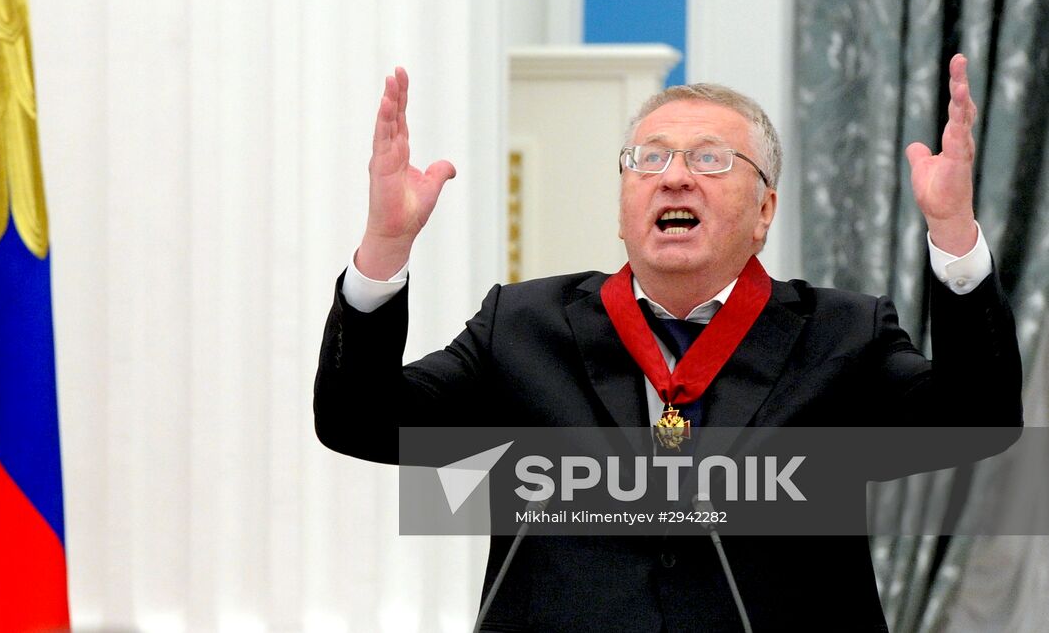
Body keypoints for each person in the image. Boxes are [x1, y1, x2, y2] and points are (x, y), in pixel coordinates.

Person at [313, 55, 1022, 632]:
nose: (674, 175)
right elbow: (360, 421)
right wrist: (385, 245)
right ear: (623, 202)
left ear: (764, 208)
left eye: (712, 159)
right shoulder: (523, 326)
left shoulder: (842, 333)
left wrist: (954, 235)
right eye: (648, 159)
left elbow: (979, 421)